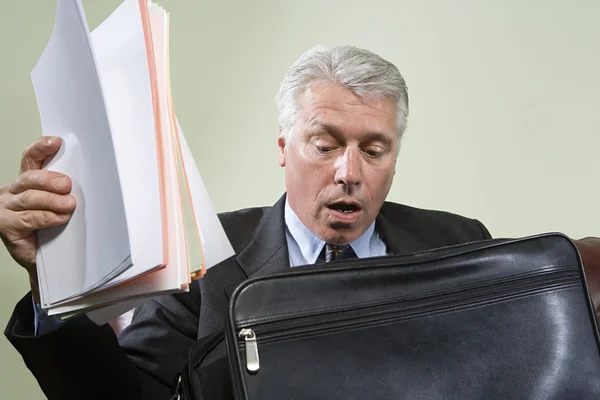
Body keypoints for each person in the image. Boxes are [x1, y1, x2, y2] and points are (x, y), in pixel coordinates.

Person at [2, 45, 598, 399]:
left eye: (373, 149)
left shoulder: (459, 243)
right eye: (325, 144)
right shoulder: (202, 261)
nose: (348, 172)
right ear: (284, 147)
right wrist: (53, 278)